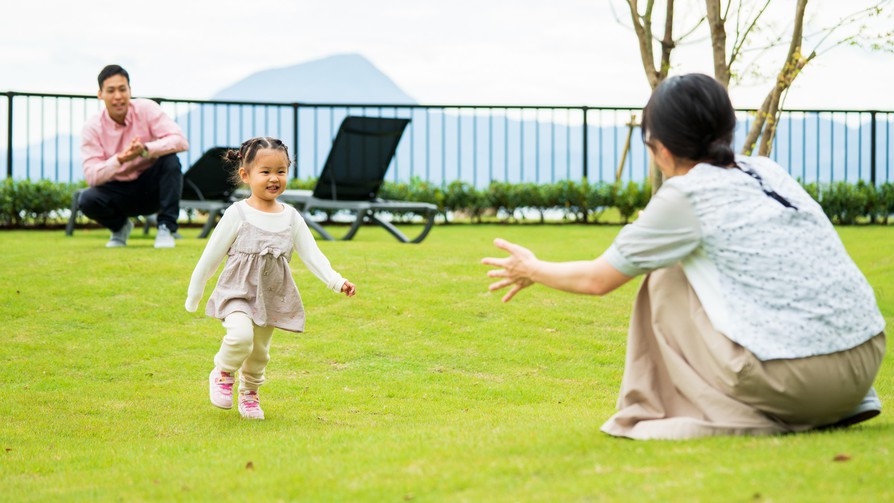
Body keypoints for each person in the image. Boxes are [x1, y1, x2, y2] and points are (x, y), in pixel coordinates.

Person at [481, 73, 886, 440]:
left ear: (661, 148)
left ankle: (660, 408)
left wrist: (532, 269)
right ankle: (828, 403)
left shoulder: (685, 194)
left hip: (800, 384)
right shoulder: (768, 172)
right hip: (865, 363)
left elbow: (598, 279)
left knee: (664, 276)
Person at [186, 136, 356, 420]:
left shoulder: (291, 217)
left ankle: (249, 394)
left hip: (271, 294)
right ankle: (223, 372)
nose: (274, 178)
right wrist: (195, 293)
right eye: (265, 172)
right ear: (246, 175)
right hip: (237, 292)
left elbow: (312, 254)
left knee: (260, 353)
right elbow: (211, 256)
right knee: (240, 337)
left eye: (281, 171)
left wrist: (336, 281)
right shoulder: (237, 213)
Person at [79, 64, 189, 248]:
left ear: (130, 90)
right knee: (87, 199)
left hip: (151, 188)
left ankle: (166, 228)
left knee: (171, 160)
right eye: (111, 90)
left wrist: (146, 149)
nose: (118, 96)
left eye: (123, 89)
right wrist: (120, 159)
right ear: (100, 94)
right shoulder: (91, 128)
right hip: (118, 191)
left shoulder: (146, 108)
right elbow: (91, 175)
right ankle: (120, 228)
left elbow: (180, 141)